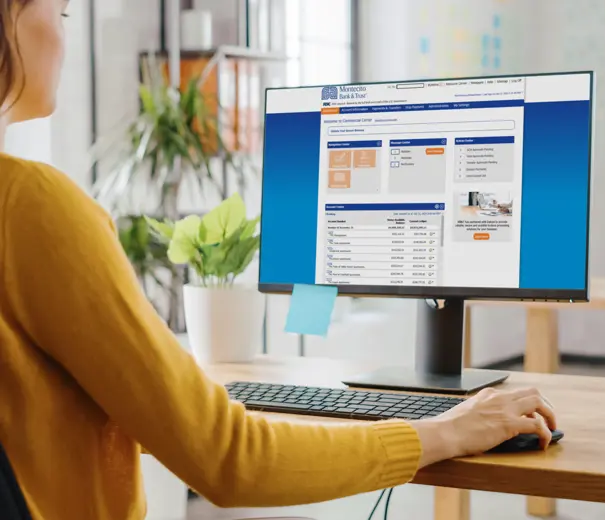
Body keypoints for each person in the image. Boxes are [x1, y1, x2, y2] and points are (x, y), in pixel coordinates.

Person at [0, 1, 558, 518]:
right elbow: (230, 459)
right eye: (62, 10)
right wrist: (446, 432)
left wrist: (179, 403)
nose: (64, 33)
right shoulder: (30, 207)